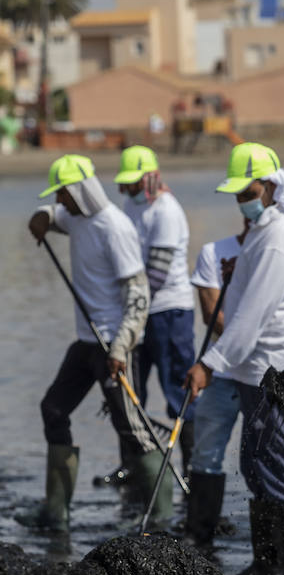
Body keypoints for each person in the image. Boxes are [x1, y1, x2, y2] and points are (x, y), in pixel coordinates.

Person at [183, 144, 284, 551]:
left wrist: (208, 365)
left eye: (248, 192)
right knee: (256, 468)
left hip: (279, 373)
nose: (242, 201)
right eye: (237, 195)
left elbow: (250, 318)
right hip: (257, 372)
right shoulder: (263, 234)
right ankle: (268, 565)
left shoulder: (279, 239)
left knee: (283, 474)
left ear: (271, 188)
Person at [22, 155, 171, 531]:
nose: (60, 201)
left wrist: (121, 347)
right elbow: (52, 217)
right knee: (53, 409)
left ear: (78, 191)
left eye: (62, 194)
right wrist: (40, 217)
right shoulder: (74, 217)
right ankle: (56, 512)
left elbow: (139, 296)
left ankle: (161, 520)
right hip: (85, 344)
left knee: (133, 428)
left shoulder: (113, 227)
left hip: (113, 347)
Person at [114, 146, 197, 472]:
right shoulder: (129, 206)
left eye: (134, 183)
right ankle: (132, 466)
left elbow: (157, 276)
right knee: (130, 391)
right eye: (126, 183)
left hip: (169, 311)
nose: (129, 189)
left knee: (178, 390)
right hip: (138, 311)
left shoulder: (166, 211)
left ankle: (192, 469)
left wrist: (128, 304)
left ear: (151, 177)